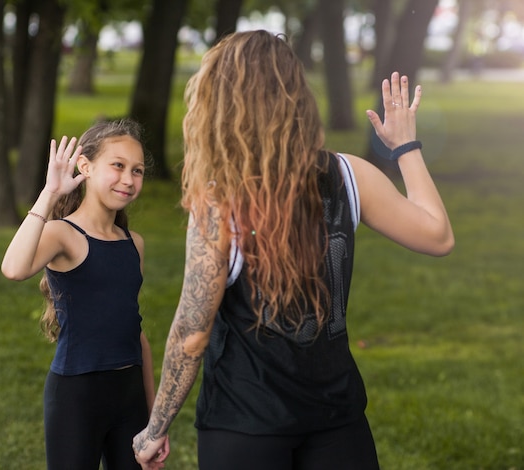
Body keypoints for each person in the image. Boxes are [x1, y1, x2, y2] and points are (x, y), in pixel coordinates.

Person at [132, 30, 454, 470]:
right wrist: (405, 148)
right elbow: (438, 235)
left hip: (245, 424)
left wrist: (156, 427)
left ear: (223, 103)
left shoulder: (219, 200)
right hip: (335, 421)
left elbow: (192, 333)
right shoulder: (347, 173)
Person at [1, 118, 168, 469]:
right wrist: (49, 194)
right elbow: (14, 268)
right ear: (85, 167)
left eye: (137, 170)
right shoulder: (62, 234)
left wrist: (155, 421)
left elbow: (136, 335)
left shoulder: (133, 244)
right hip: (76, 397)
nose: (128, 179)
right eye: (118, 166)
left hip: (130, 396)